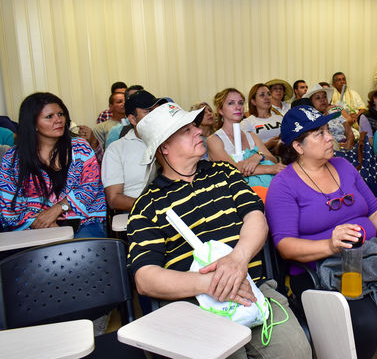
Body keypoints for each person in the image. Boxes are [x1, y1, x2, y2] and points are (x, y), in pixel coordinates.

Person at [127, 102, 312, 359]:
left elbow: (256, 218)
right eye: (186, 130)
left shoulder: (223, 173)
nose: (199, 132)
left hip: (252, 287)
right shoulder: (147, 205)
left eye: (195, 126)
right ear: (164, 148)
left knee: (297, 353)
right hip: (193, 305)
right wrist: (212, 283)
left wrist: (237, 261)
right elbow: (145, 279)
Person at [265, 105, 377, 359]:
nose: (330, 137)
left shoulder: (344, 166)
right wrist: (330, 244)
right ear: (298, 146)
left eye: (327, 130)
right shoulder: (283, 185)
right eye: (319, 134)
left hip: (370, 258)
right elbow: (285, 245)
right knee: (363, 322)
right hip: (320, 271)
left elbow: (376, 211)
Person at [0, 92, 106, 237]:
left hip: (83, 222)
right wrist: (41, 222)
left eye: (60, 114)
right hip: (32, 225)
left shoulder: (80, 147)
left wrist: (57, 209)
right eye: (49, 117)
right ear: (33, 124)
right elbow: (9, 202)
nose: (59, 120)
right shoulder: (13, 159)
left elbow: (90, 187)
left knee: (82, 252)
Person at [102, 90, 167, 213]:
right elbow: (114, 199)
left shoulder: (171, 140)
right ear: (132, 119)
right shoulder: (116, 149)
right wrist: (151, 207)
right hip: (137, 213)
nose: (156, 116)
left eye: (157, 111)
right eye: (148, 112)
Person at [207, 88, 284, 187]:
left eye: (240, 103)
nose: (237, 107)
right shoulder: (214, 140)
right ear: (220, 110)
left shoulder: (250, 135)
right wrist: (271, 169)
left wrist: (258, 156)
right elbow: (233, 170)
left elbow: (272, 159)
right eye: (231, 103)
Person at [303, 83, 355, 151]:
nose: (322, 100)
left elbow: (349, 132)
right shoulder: (311, 120)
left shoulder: (335, 113)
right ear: (311, 103)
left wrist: (349, 143)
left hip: (347, 148)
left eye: (324, 97)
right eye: (318, 98)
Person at [240, 83, 283, 154]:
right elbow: (246, 151)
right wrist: (267, 145)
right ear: (253, 101)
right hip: (262, 160)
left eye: (269, 94)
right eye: (262, 95)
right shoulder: (247, 123)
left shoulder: (280, 118)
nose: (267, 98)